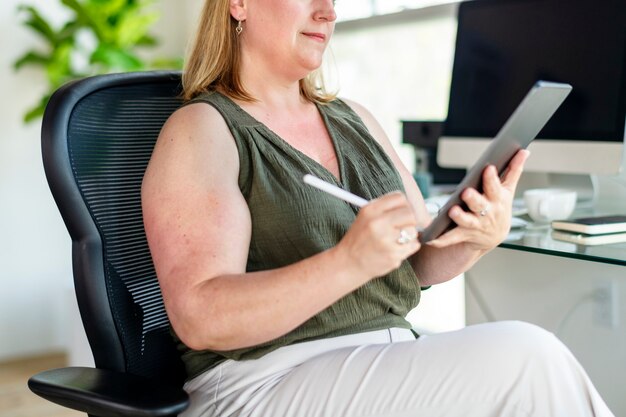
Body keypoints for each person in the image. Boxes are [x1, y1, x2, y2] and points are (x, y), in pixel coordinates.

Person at [141, 1, 614, 416]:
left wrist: (475, 238)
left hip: (380, 362)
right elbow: (200, 317)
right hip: (259, 382)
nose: (328, 11)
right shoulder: (201, 129)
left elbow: (422, 263)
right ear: (238, 3)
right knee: (525, 359)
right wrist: (347, 262)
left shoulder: (356, 119)